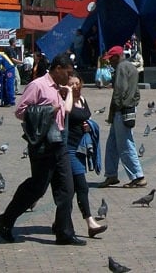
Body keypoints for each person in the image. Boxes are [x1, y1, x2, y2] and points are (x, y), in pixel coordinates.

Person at [0, 52, 82, 246]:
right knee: (37, 188)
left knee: (67, 189)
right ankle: (6, 219)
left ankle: (64, 233)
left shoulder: (59, 87)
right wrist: (48, 109)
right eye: (67, 73)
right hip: (43, 144)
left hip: (59, 142)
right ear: (57, 69)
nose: (69, 78)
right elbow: (20, 111)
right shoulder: (38, 85)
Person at [64, 73, 107, 238]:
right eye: (71, 83)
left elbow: (85, 117)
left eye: (77, 83)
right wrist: (67, 93)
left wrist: (88, 126)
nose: (75, 86)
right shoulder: (65, 100)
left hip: (81, 148)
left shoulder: (82, 100)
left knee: (71, 190)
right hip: (69, 149)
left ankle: (58, 222)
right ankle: (90, 223)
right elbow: (66, 115)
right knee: (82, 186)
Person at [99, 45, 147, 189]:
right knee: (112, 144)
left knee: (125, 144)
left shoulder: (121, 68)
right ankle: (111, 174)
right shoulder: (132, 67)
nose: (109, 62)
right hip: (129, 107)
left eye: (110, 59)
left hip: (121, 110)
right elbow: (136, 92)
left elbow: (119, 91)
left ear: (116, 57)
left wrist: (115, 109)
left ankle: (138, 176)